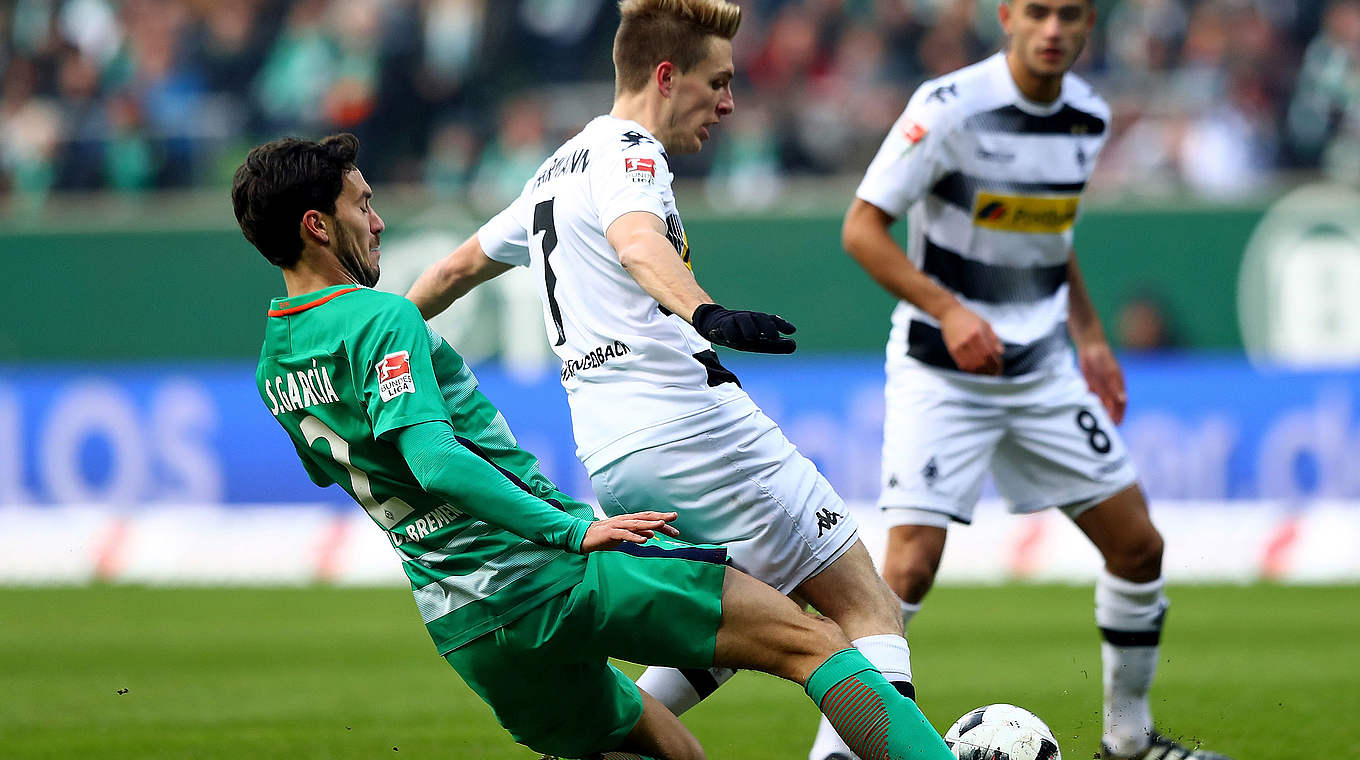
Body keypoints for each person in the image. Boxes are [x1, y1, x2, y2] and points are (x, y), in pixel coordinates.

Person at [231, 132, 955, 760]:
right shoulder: (378, 318)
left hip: (464, 631)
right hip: (548, 577)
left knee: (671, 746)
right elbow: (436, 461)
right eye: (363, 205)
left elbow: (338, 471)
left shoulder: (275, 361)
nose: (379, 220)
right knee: (818, 644)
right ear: (317, 227)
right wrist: (574, 530)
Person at [406, 0, 917, 736]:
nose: (730, 104)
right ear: (668, 75)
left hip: (614, 456)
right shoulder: (631, 154)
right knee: (865, 607)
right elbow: (640, 243)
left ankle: (619, 742)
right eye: (720, 82)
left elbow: (455, 268)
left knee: (748, 615)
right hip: (690, 425)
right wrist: (707, 314)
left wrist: (375, 334)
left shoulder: (556, 167)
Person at [835, 2, 1233, 760]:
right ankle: (836, 753)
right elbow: (860, 227)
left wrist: (1089, 335)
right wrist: (950, 311)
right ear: (1007, 16)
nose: (1053, 28)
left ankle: (1128, 741)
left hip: (1040, 369)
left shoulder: (1086, 115)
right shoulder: (949, 107)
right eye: (1038, 11)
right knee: (907, 568)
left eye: (1070, 13)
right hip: (942, 368)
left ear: (1089, 25)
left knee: (1139, 547)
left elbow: (1049, 235)